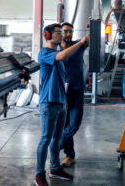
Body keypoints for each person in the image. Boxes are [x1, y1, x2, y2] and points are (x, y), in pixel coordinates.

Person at [35, 23, 89, 186]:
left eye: (62, 32)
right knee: (45, 138)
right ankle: (39, 174)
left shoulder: (59, 52)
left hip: (60, 101)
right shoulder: (45, 53)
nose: (61, 35)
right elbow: (63, 56)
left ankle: (55, 168)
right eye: (58, 33)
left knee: (57, 138)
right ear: (48, 36)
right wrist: (80, 43)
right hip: (48, 102)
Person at [60, 22, 88, 167]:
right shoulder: (56, 50)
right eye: (65, 31)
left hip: (77, 91)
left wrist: (95, 28)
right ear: (60, 33)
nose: (68, 34)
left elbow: (92, 39)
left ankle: (56, 144)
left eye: (70, 31)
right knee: (64, 125)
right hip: (61, 93)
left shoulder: (79, 45)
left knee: (73, 126)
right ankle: (70, 156)